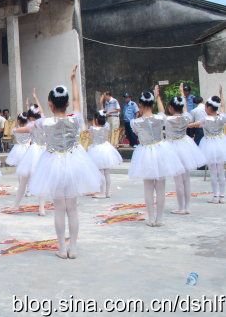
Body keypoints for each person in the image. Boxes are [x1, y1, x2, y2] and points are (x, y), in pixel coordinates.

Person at [26, 66, 102, 259]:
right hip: (74, 161)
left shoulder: (44, 122)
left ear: (50, 104)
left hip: (52, 164)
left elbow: (30, 126)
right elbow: (77, 101)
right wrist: (73, 80)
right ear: (66, 104)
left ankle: (61, 248)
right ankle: (73, 247)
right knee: (72, 208)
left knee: (59, 209)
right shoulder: (76, 119)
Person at [127, 87, 184, 227]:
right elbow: (163, 112)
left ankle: (151, 218)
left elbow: (136, 133)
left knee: (148, 188)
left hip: (145, 153)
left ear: (140, 104)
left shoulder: (135, 122)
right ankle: (159, 219)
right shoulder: (160, 118)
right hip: (160, 151)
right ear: (152, 104)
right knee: (160, 188)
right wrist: (158, 96)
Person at [164, 84, 205, 215]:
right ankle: (186, 207)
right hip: (185, 145)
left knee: (178, 180)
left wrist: (158, 97)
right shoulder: (186, 117)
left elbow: (160, 113)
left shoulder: (168, 119)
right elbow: (186, 109)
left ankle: (181, 207)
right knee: (186, 179)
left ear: (170, 108)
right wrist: (182, 94)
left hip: (173, 148)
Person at [12, 98, 47, 216]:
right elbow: (41, 111)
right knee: (41, 180)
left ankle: (16, 205)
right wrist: (36, 98)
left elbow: (25, 129)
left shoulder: (33, 124)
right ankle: (41, 208)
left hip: (34, 151)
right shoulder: (44, 121)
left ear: (31, 117)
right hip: (44, 151)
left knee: (23, 180)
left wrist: (15, 129)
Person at [198, 89, 225, 204]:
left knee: (213, 172)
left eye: (206, 107)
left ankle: (215, 196)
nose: (204, 108)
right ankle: (222, 197)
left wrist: (187, 125)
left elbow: (196, 124)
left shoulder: (205, 119)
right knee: (221, 171)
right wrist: (221, 95)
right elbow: (224, 108)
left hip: (209, 145)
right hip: (221, 144)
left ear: (209, 108)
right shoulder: (222, 117)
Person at [87, 110, 122, 198]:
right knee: (107, 172)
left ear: (95, 120)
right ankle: (107, 192)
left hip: (96, 150)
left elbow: (91, 137)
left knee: (101, 173)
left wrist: (95, 122)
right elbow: (104, 123)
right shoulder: (106, 127)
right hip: (106, 148)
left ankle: (102, 192)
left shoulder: (92, 129)